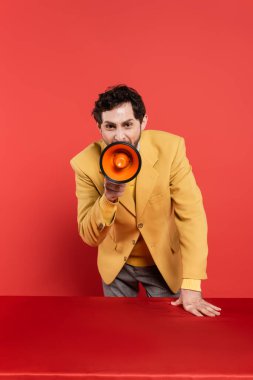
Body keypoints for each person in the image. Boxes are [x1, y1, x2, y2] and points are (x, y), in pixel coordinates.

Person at [70, 84, 221, 318]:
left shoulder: (171, 149)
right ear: (99, 127)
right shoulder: (84, 164)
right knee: (119, 336)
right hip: (116, 267)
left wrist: (192, 284)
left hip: (162, 263)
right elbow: (89, 236)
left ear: (143, 122)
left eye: (127, 124)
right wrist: (108, 198)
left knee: (167, 338)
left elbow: (191, 216)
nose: (119, 136)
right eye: (110, 126)